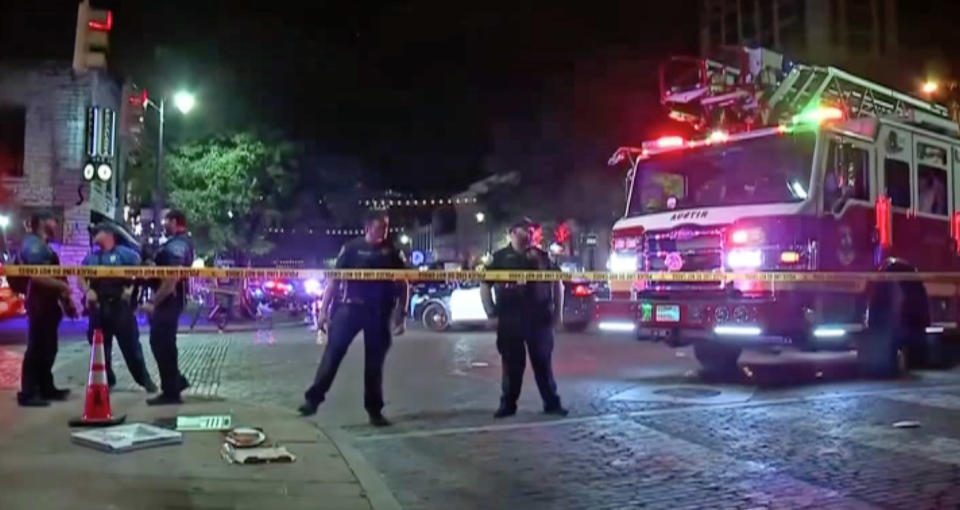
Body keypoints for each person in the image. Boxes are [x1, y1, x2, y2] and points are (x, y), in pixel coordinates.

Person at [299, 210, 408, 426]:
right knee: (332, 354)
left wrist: (401, 314)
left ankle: (374, 411)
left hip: (379, 312)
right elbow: (334, 281)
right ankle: (312, 401)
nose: (383, 232)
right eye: (379, 228)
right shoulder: (351, 249)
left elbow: (404, 282)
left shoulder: (391, 251)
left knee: (374, 365)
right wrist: (323, 311)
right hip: (350, 309)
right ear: (367, 228)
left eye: (386, 228)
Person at [481, 219, 568, 418]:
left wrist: (558, 315)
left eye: (531, 230)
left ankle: (551, 403)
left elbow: (557, 284)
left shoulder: (542, 257)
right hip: (510, 321)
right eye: (524, 230)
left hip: (539, 320)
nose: (528, 233)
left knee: (543, 365)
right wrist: (491, 313)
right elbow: (485, 285)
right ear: (512, 233)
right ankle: (508, 404)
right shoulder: (499, 258)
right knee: (512, 366)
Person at [79, 225, 157, 393]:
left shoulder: (125, 254)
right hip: (99, 308)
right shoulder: (92, 257)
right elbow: (80, 275)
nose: (93, 236)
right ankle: (106, 380)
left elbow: (141, 273)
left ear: (108, 235)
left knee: (132, 349)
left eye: (96, 232)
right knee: (100, 349)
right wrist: (87, 290)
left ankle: (145, 381)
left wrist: (131, 290)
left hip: (121, 308)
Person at [16, 211, 78, 407]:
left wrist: (66, 300)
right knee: (37, 348)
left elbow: (55, 275)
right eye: (53, 220)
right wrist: (63, 288)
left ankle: (45, 387)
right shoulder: (34, 245)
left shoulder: (44, 247)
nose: (55, 224)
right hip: (39, 303)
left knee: (48, 347)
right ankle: (29, 392)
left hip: (48, 304)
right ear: (43, 222)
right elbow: (37, 276)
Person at [142, 210, 194, 405]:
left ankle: (171, 390)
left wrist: (153, 302)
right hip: (170, 299)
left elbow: (171, 279)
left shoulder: (178, 245)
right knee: (163, 343)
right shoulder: (178, 244)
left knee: (162, 343)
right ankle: (174, 383)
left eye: (166, 221)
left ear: (175, 221)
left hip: (169, 300)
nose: (164, 224)